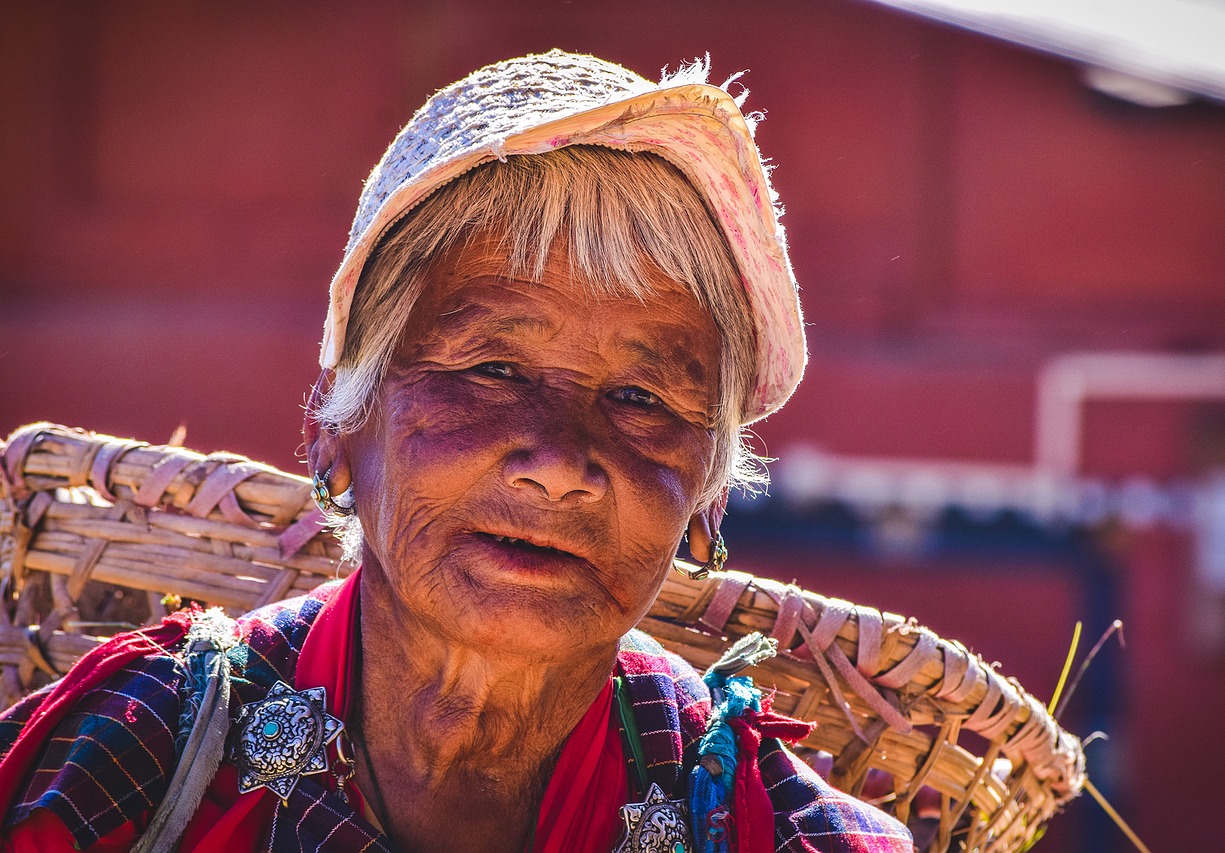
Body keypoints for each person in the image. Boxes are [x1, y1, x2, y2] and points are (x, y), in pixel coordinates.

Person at [0, 50, 914, 852]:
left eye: (640, 398)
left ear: (707, 501)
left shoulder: (770, 828)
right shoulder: (134, 759)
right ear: (340, 433)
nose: (558, 462)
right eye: (492, 367)